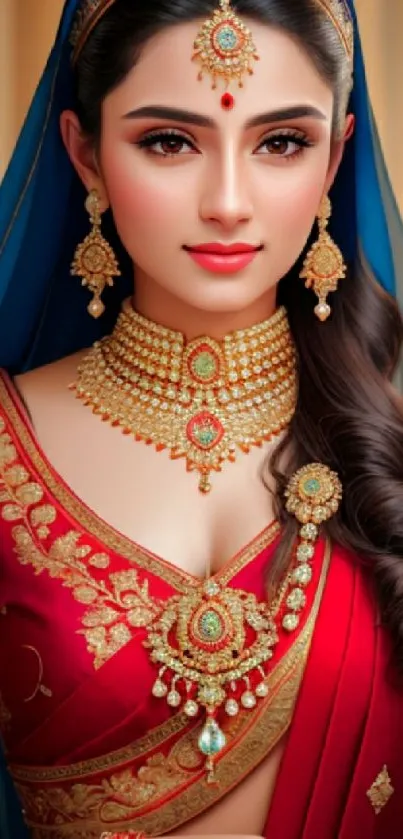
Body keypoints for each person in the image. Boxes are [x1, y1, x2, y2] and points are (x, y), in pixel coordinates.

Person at [0, 0, 403, 837]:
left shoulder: (389, 434)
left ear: (335, 156)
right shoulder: (9, 444)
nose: (226, 202)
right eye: (168, 142)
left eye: (281, 143)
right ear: (85, 154)